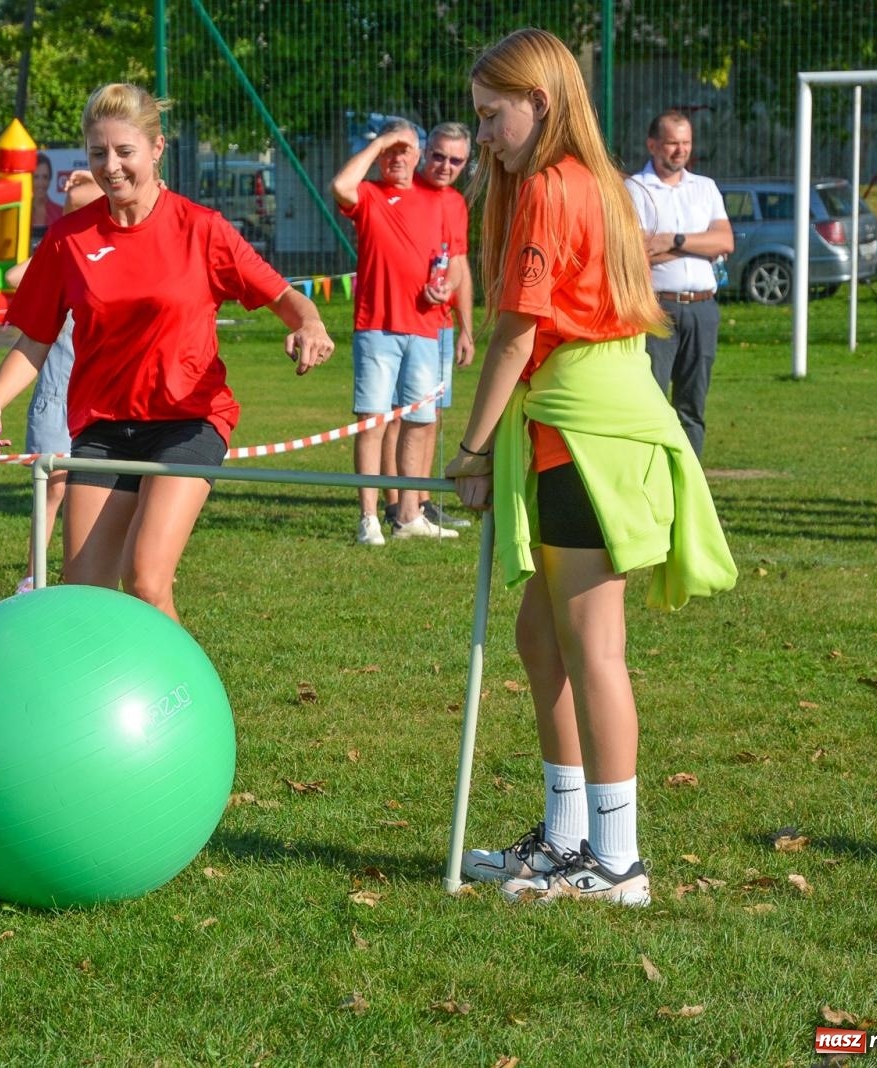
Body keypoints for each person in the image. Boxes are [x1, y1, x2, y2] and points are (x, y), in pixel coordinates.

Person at [443, 28, 737, 905]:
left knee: (593, 648)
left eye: (493, 116)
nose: (485, 135)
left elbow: (518, 330)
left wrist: (470, 449)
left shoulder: (552, 187)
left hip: (591, 432)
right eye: (479, 119)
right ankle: (568, 838)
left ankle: (617, 861)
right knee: (543, 638)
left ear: (541, 101)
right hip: (583, 422)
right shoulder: (589, 181)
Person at [0, 83, 334, 623]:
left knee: (145, 580)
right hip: (103, 427)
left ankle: (181, 700)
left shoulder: (202, 229)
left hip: (188, 423)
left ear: (156, 149)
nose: (110, 167)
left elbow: (284, 297)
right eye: (97, 153)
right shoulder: (69, 239)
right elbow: (36, 339)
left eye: (124, 151)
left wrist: (312, 324)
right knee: (85, 597)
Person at [332, 119, 466, 546]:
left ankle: (410, 516)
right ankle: (369, 518)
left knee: (421, 421)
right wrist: (381, 142)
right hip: (377, 328)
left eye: (405, 149)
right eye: (391, 150)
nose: (397, 157)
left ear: (419, 155)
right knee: (371, 422)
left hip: (426, 329)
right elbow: (341, 184)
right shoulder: (369, 195)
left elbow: (449, 262)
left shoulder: (437, 199)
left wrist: (445, 290)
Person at [2, 169, 104, 596]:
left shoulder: (107, 263)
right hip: (57, 394)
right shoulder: (59, 257)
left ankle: (100, 567)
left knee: (104, 490)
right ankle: (33, 575)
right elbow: (13, 277)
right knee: (53, 486)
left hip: (98, 397)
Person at [382, 120, 476, 532]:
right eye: (438, 155)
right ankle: (391, 500)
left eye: (456, 160)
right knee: (396, 417)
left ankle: (418, 501)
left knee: (430, 415)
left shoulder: (455, 202)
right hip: (397, 323)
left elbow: (457, 264)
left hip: (438, 325)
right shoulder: (400, 189)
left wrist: (465, 325)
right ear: (424, 152)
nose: (445, 165)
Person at [625, 110, 734, 458]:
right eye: (672, 143)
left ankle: (690, 485)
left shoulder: (705, 188)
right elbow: (635, 252)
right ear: (652, 144)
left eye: (686, 143)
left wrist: (672, 240)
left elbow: (725, 241)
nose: (680, 150)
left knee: (692, 404)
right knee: (652, 401)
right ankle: (652, 481)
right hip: (658, 307)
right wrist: (699, 247)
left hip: (703, 307)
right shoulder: (635, 189)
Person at [29, 154, 63, 248]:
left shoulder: (60, 212)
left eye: (45, 177)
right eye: (36, 177)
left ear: (50, 179)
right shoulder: (20, 213)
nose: (41, 183)